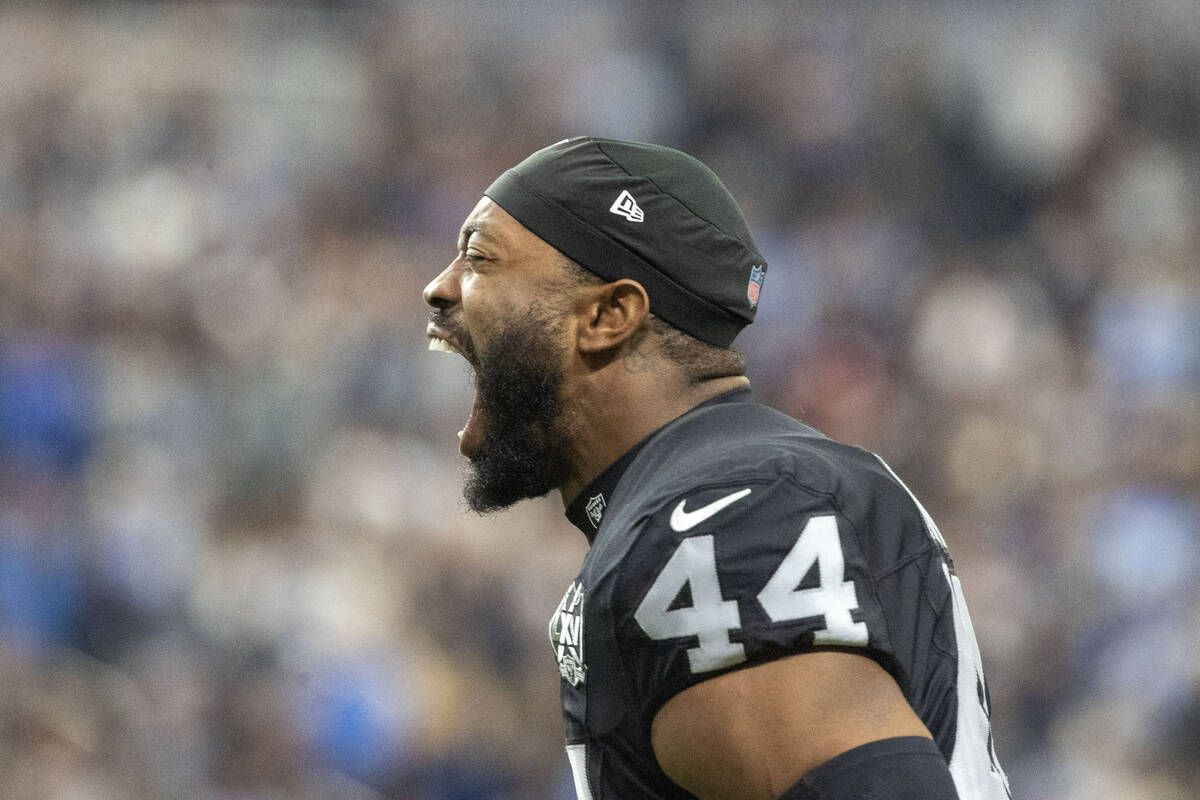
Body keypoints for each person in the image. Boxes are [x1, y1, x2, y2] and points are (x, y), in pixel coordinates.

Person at [422, 137, 1010, 800]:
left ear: (609, 315)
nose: (438, 288)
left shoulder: (724, 511)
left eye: (479, 258)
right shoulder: (730, 488)